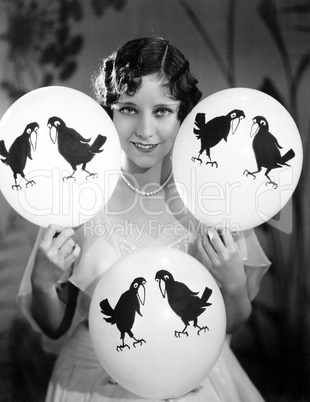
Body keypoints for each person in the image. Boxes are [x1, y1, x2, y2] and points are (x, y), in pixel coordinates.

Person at [18, 37, 271, 401]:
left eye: (163, 111)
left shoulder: (213, 196)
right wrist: (43, 282)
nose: (146, 130)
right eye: (129, 109)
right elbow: (54, 326)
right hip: (93, 377)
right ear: (108, 111)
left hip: (195, 374)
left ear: (184, 113)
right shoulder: (77, 195)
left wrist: (232, 284)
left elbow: (230, 322)